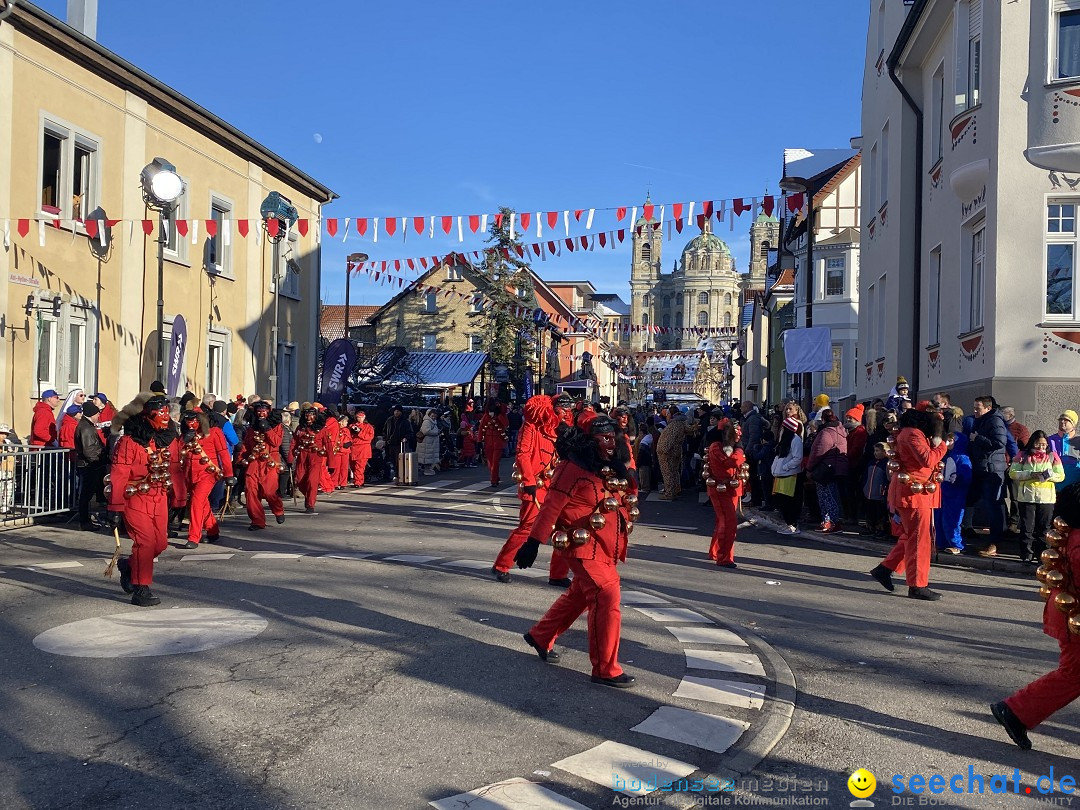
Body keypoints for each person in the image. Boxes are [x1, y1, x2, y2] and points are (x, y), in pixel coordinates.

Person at [514, 413, 638, 688]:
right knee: (607, 593)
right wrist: (533, 542)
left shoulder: (607, 464)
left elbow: (619, 494)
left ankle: (540, 635)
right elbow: (551, 507)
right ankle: (605, 668)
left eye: (611, 435)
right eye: (602, 436)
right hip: (582, 544)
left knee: (580, 595)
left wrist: (628, 471)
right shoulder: (571, 468)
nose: (608, 441)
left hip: (605, 545)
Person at [991, 482, 1080, 751]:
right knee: (1074, 673)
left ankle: (1016, 711)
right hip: (1073, 616)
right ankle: (1015, 711)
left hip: (1068, 611)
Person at [870, 407, 952, 600]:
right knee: (919, 540)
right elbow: (928, 459)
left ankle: (885, 569)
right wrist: (942, 445)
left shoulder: (910, 433)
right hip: (914, 493)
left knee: (911, 536)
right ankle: (917, 585)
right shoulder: (913, 434)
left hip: (917, 491)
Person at [492, 393, 574, 586]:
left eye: (568, 410)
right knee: (528, 528)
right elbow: (522, 454)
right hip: (536, 484)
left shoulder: (564, 430)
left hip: (557, 485)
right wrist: (528, 480)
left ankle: (558, 574)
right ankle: (502, 565)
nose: (566, 414)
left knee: (563, 528)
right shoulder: (531, 426)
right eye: (563, 410)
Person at [108, 393, 177, 607]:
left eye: (167, 412)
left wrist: (179, 497)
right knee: (145, 542)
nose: (165, 417)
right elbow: (119, 473)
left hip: (159, 495)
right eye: (161, 412)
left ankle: (129, 566)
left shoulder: (168, 439)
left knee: (161, 543)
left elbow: (175, 469)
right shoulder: (129, 442)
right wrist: (115, 506)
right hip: (135, 497)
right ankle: (141, 588)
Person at [178, 409, 235, 547]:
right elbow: (177, 452)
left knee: (197, 502)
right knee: (202, 503)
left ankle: (193, 537)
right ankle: (212, 530)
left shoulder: (215, 432)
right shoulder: (185, 435)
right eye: (188, 421)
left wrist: (229, 474)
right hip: (189, 473)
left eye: (193, 421)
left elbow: (224, 454)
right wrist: (183, 440)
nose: (190, 424)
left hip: (208, 472)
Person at [1009, 431, 1066, 564]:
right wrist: (1030, 474)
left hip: (1046, 499)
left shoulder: (1053, 456)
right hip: (1027, 497)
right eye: (1038, 444)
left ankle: (1042, 554)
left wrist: (1048, 476)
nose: (1041, 447)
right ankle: (1026, 554)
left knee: (1044, 528)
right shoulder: (1022, 455)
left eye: (1044, 444)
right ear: (1032, 443)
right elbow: (1013, 473)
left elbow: (1061, 476)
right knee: (1027, 528)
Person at [969, 396, 1010, 557]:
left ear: (987, 408)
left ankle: (995, 542)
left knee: (994, 506)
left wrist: (977, 438)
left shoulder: (994, 420)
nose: (975, 411)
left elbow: (1000, 442)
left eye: (977, 408)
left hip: (992, 469)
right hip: (983, 468)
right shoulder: (983, 420)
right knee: (986, 504)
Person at [238, 401, 285, 530]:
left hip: (270, 461)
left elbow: (276, 442)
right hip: (254, 462)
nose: (261, 413)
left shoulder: (277, 426)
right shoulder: (251, 427)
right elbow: (246, 444)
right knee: (251, 492)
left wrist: (268, 429)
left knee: (270, 491)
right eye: (259, 411)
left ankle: (278, 509)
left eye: (264, 410)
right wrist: (241, 458)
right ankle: (257, 521)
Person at [706, 420, 746, 568]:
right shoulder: (716, 447)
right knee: (728, 522)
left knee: (723, 521)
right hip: (721, 489)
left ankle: (716, 551)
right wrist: (740, 450)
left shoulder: (721, 446)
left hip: (731, 487)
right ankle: (724, 557)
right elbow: (733, 462)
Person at [808, 408, 848, 533]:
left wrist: (809, 467)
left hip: (826, 469)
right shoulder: (841, 431)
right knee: (833, 495)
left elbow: (818, 452)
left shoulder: (826, 432)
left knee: (826, 496)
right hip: (839, 468)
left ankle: (831, 522)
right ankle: (831, 521)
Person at [289, 405, 333, 513]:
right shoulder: (300, 428)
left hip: (315, 456)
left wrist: (332, 464)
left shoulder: (322, 429)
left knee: (312, 481)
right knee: (299, 480)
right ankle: (308, 496)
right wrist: (290, 459)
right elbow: (294, 443)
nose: (309, 417)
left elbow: (328, 446)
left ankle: (310, 504)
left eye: (311, 415)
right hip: (302, 456)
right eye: (307, 415)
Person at [935, 433, 972, 554]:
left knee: (953, 520)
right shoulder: (946, 456)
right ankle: (941, 542)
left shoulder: (962, 458)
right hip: (944, 492)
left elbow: (966, 476)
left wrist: (958, 477)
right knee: (940, 519)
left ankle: (957, 544)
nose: (947, 443)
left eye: (951, 440)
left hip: (956, 494)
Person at [770, 416, 805, 535]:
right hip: (780, 475)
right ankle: (788, 523)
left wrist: (786, 467)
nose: (781, 430)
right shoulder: (784, 441)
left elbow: (797, 458)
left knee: (789, 501)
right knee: (781, 501)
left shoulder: (795, 440)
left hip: (789, 475)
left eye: (783, 428)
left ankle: (793, 524)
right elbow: (778, 456)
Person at [74, 401, 106, 531]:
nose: (99, 415)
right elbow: (89, 450)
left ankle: (86, 521)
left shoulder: (87, 425)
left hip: (89, 464)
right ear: (92, 414)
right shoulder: (86, 428)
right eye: (97, 413)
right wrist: (98, 460)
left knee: (87, 495)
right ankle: (85, 522)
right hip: (89, 465)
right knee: (86, 495)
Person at [656, 407, 689, 500]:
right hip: (675, 451)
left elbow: (670, 439)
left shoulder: (674, 424)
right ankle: (676, 489)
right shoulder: (680, 423)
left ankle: (669, 493)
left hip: (668, 452)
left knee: (668, 472)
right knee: (674, 472)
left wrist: (664, 450)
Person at [862, 442, 891, 539]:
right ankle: (871, 528)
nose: (875, 453)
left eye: (878, 451)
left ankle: (881, 529)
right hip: (869, 493)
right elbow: (866, 476)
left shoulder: (886, 464)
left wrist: (885, 491)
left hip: (880, 493)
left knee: (880, 513)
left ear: (885, 452)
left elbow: (887, 479)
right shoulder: (871, 462)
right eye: (875, 450)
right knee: (870, 511)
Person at [478, 400, 509, 486]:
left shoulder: (501, 416)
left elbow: (506, 424)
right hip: (488, 441)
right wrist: (479, 441)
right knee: (490, 462)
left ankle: (493, 480)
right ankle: (495, 476)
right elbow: (481, 429)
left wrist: (498, 416)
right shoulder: (486, 416)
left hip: (498, 441)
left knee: (495, 462)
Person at [1048, 410, 1080, 492]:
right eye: (1060, 419)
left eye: (1066, 420)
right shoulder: (1050, 440)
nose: (1062, 421)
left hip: (1075, 485)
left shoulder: (1078, 440)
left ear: (1073, 424)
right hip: (1055, 485)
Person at [348, 410, 374, 487]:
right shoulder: (352, 426)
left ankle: (358, 482)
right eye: (358, 417)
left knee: (359, 467)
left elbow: (369, 437)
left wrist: (359, 432)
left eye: (361, 417)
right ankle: (360, 480)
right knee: (353, 466)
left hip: (363, 449)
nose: (359, 419)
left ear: (364, 417)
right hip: (353, 449)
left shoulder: (369, 427)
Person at [417, 408, 442, 476]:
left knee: (429, 456)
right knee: (427, 456)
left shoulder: (432, 421)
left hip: (430, 443)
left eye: (435, 416)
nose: (433, 417)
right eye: (432, 416)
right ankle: (427, 469)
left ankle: (428, 469)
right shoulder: (427, 422)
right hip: (427, 442)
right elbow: (426, 431)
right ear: (429, 415)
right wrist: (436, 432)